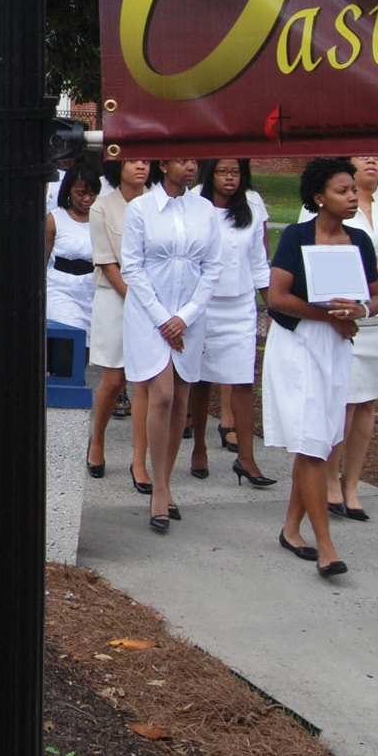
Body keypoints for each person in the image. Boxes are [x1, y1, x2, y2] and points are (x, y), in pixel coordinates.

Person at [262, 159, 378, 579]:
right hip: (298, 345)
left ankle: (291, 529)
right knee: (312, 443)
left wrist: (361, 310)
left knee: (321, 440)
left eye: (353, 190)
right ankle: (326, 547)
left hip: (337, 347)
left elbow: (374, 297)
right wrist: (329, 317)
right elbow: (277, 297)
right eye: (342, 191)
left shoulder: (359, 241)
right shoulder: (297, 237)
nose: (352, 197)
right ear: (319, 197)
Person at [121, 158, 217, 533]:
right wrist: (163, 318)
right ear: (164, 164)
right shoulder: (141, 208)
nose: (190, 166)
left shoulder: (204, 210)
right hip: (150, 313)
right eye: (182, 160)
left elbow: (212, 267)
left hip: (189, 315)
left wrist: (186, 316)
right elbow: (132, 266)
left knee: (180, 397)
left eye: (194, 160)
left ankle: (165, 480)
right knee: (160, 393)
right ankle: (157, 485)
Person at [320, 154, 378, 521]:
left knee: (368, 403)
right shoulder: (329, 202)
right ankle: (329, 479)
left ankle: (352, 483)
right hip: (344, 315)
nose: (372, 160)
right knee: (343, 403)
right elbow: (318, 254)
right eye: (363, 154)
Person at [195, 158, 273, 487]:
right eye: (223, 172)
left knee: (242, 382)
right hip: (203, 305)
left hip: (240, 305)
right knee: (200, 382)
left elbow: (259, 262)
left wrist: (272, 307)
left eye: (235, 172)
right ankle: (199, 447)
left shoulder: (252, 206)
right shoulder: (195, 204)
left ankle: (247, 457)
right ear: (210, 173)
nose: (229, 178)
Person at [86, 158, 148, 483]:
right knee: (113, 380)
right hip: (115, 296)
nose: (141, 167)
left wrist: (151, 304)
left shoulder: (158, 203)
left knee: (145, 383)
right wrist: (136, 299)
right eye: (134, 161)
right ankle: (97, 440)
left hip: (154, 301)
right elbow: (107, 261)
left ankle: (140, 461)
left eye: (146, 161)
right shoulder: (102, 207)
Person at [45, 160, 102, 387]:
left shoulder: (101, 219)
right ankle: (63, 380)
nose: (87, 199)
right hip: (61, 285)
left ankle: (76, 381)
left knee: (86, 340)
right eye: (81, 193)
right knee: (69, 332)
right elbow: (44, 256)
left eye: (92, 194)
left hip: (91, 286)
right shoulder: (55, 218)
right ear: (69, 191)